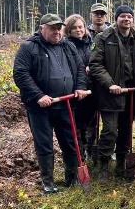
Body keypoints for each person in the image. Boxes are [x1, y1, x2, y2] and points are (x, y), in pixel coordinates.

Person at [12, 13, 91, 194]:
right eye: (52, 28)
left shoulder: (68, 46)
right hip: (41, 107)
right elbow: (21, 74)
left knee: (70, 142)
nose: (57, 32)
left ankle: (72, 178)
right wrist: (38, 95)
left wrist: (80, 87)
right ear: (42, 29)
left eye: (58, 28)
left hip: (66, 104)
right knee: (45, 144)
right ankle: (48, 182)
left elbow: (80, 68)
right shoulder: (29, 48)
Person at [88, 5, 135, 179]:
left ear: (133, 19)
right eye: (122, 16)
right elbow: (95, 64)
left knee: (125, 130)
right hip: (110, 94)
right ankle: (103, 165)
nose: (126, 19)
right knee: (110, 130)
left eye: (129, 16)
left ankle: (120, 164)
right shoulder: (104, 38)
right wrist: (109, 84)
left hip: (132, 94)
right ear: (116, 19)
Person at [63, 14, 97, 162]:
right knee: (76, 124)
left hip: (91, 89)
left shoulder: (91, 43)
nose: (78, 30)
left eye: (80, 27)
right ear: (69, 30)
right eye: (74, 28)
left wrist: (93, 67)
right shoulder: (65, 45)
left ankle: (91, 152)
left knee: (91, 122)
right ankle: (79, 155)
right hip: (75, 90)